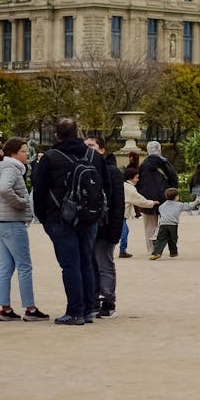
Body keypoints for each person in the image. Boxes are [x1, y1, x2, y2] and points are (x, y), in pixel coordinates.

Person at [32, 117, 108, 325]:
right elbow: (105, 186)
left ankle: (75, 311)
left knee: (70, 265)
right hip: (89, 216)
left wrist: (45, 219)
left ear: (56, 135)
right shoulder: (94, 155)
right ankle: (88, 309)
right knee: (87, 262)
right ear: (78, 134)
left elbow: (38, 191)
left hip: (61, 217)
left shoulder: (50, 157)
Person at [0, 138, 49, 321]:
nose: (27, 153)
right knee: (24, 266)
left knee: (6, 266)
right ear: (13, 153)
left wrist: (0, 204)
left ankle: (5, 309)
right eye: (23, 150)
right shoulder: (11, 169)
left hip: (0, 221)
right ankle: (30, 308)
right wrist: (22, 203)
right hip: (12, 222)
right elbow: (5, 190)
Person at [85, 137, 125, 319]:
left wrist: (115, 230)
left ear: (101, 149)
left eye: (91, 146)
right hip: (90, 225)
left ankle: (108, 302)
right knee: (92, 265)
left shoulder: (112, 171)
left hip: (106, 226)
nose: (87, 149)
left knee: (104, 264)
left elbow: (118, 204)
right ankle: (94, 301)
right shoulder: (86, 169)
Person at [136, 141, 178, 255]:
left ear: (147, 150)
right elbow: (173, 178)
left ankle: (151, 249)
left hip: (148, 198)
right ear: (159, 149)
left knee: (149, 225)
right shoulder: (165, 162)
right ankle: (168, 247)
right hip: (165, 197)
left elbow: (138, 182)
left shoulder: (143, 165)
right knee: (167, 223)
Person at [149, 187, 200, 259]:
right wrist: (196, 202)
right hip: (173, 225)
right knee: (173, 239)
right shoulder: (179, 205)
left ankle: (156, 253)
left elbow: (161, 213)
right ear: (176, 197)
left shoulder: (162, 206)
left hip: (163, 224)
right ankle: (173, 253)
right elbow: (189, 206)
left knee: (161, 239)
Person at [122, 166, 157, 255]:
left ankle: (122, 250)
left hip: (119, 213)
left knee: (124, 231)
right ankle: (122, 251)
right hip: (121, 214)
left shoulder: (124, 185)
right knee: (124, 232)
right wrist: (152, 203)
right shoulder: (130, 189)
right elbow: (140, 201)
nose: (138, 180)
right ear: (131, 177)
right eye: (136, 177)